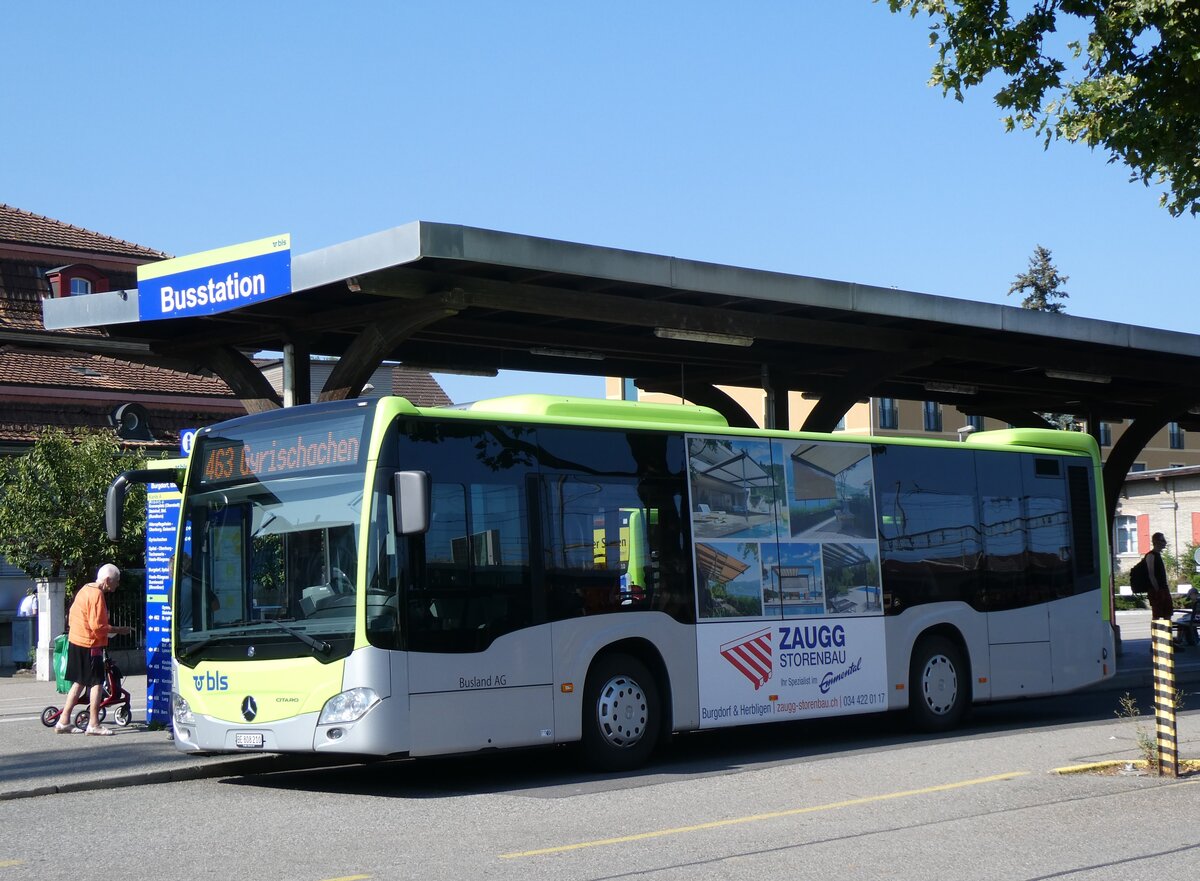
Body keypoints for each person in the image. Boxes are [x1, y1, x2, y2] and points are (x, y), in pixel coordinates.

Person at [54, 564, 131, 736]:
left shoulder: (85, 589)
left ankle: (63, 721)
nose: (117, 585)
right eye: (116, 581)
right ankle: (94, 724)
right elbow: (98, 627)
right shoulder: (97, 595)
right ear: (107, 580)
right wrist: (119, 630)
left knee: (79, 682)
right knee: (97, 682)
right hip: (90, 644)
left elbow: (72, 614)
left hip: (76, 641)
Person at [1144, 532, 1174, 622]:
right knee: (1156, 616)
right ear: (1156, 542)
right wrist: (1157, 590)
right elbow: (1151, 574)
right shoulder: (1150, 555)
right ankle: (1156, 636)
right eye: (1162, 540)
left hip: (1164, 589)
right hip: (1157, 591)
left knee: (1167, 614)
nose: (1165, 542)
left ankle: (1166, 635)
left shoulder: (1158, 555)